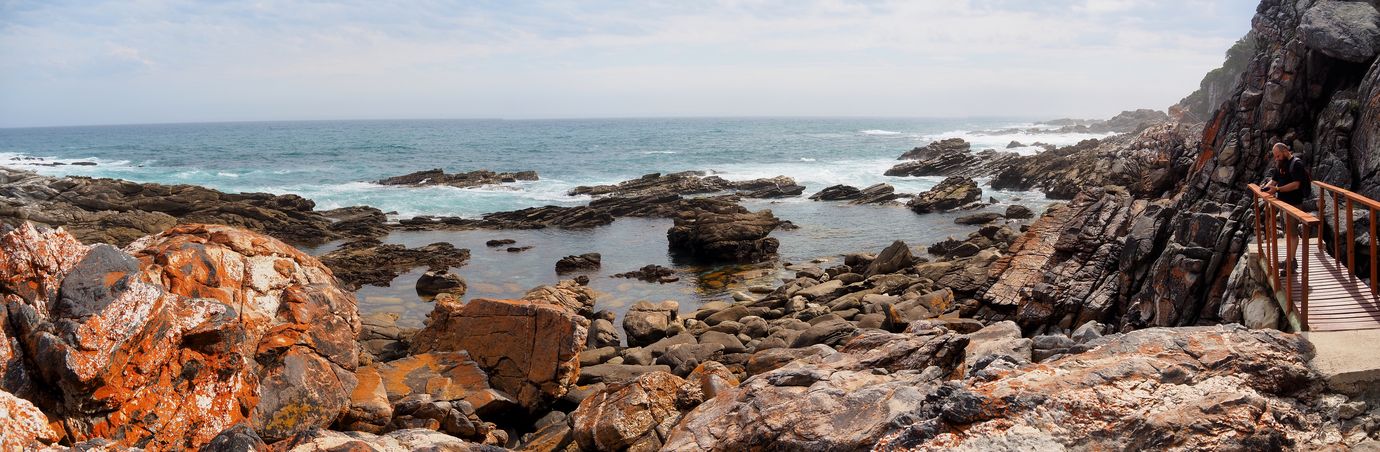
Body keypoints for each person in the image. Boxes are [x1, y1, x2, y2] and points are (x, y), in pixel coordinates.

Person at [1262, 142, 1312, 275]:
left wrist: (1277, 189)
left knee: (1293, 234)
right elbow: (1273, 181)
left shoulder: (1296, 164)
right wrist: (1264, 189)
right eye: (1275, 156)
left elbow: (1296, 185)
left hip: (1294, 204)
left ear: (1285, 151)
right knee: (1288, 233)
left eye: (1278, 155)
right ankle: (1290, 260)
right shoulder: (1281, 164)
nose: (1276, 158)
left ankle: (1291, 264)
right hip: (1283, 204)